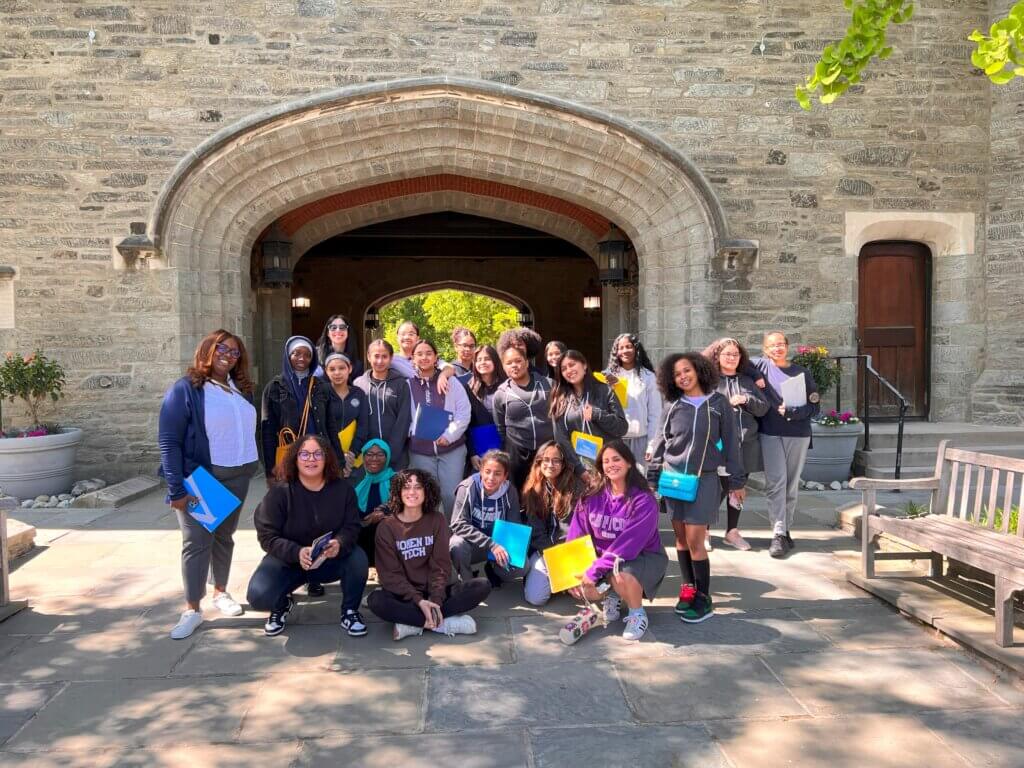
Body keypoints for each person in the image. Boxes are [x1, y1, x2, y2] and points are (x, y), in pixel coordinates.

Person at [158, 329, 260, 640]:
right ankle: (192, 609)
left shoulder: (239, 389)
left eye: (234, 352)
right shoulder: (187, 389)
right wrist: (176, 488)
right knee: (197, 542)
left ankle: (221, 592)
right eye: (222, 349)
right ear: (208, 350)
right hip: (203, 478)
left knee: (224, 537)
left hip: (239, 475)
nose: (228, 355)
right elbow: (169, 441)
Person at [650, 352, 744, 624]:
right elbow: (660, 443)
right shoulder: (672, 406)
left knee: (695, 540)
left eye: (686, 371)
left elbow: (731, 443)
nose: (682, 377)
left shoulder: (718, 404)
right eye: (677, 374)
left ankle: (704, 597)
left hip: (704, 480)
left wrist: (737, 481)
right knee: (679, 539)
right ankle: (688, 589)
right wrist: (653, 478)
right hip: (674, 479)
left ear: (699, 370)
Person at [246, 435, 370, 637]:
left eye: (317, 454)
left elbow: (352, 526)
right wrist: (296, 552)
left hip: (328, 561)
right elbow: (267, 536)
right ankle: (282, 604)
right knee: (259, 596)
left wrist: (339, 543)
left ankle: (349, 611)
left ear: (326, 458)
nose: (311, 459)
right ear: (295, 458)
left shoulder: (343, 490)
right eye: (304, 454)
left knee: (357, 558)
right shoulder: (280, 492)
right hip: (289, 562)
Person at [368, 469, 491, 640]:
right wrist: (418, 600)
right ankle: (442, 623)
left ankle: (413, 623)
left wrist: (435, 601)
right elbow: (390, 575)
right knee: (376, 600)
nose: (412, 492)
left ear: (426, 491)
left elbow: (440, 565)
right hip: (406, 595)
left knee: (482, 585)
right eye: (406, 487)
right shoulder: (386, 527)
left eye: (418, 487)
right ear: (398, 492)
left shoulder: (436, 519)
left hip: (438, 591)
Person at [566, 440, 667, 642]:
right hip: (607, 559)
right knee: (583, 586)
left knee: (620, 575)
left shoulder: (644, 500)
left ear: (629, 462)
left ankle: (637, 613)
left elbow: (628, 546)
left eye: (616, 459)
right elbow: (576, 535)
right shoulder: (590, 496)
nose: (611, 464)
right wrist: (571, 572)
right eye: (606, 461)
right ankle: (612, 595)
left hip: (641, 557)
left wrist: (595, 571)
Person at [748, 331, 820, 558]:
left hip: (798, 433)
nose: (777, 348)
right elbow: (736, 361)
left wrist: (794, 412)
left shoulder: (802, 372)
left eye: (781, 344)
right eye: (772, 345)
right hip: (770, 433)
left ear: (787, 347)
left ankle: (786, 529)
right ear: (765, 349)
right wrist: (755, 376)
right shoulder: (760, 366)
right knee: (776, 483)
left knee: (791, 485)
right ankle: (778, 533)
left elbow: (815, 407)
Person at [703, 337, 769, 551]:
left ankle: (732, 531)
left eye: (735, 354)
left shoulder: (747, 381)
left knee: (738, 489)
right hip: (720, 445)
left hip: (747, 443)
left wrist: (747, 400)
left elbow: (763, 408)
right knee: (719, 489)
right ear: (718, 356)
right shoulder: (710, 381)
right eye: (727, 354)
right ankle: (704, 529)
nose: (731, 358)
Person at [407, 339, 471, 517]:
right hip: (421, 450)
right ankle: (435, 535)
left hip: (451, 449)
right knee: (428, 497)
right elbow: (405, 416)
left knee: (450, 495)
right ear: (413, 358)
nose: (424, 357)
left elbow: (463, 413)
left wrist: (449, 436)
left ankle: (453, 535)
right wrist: (415, 430)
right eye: (419, 354)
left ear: (436, 358)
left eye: (428, 353)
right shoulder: (408, 384)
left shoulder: (452, 382)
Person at [260, 335, 341, 477]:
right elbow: (267, 432)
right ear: (288, 355)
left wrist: (339, 460)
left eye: (307, 355)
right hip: (289, 456)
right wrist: (270, 470)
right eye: (296, 354)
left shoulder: (321, 386)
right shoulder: (274, 387)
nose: (302, 359)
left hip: (318, 455)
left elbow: (330, 425)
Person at [521, 441, 584, 606]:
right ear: (539, 462)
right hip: (545, 550)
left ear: (563, 464)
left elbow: (572, 530)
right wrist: (555, 563)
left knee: (587, 594)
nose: (550, 464)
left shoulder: (575, 487)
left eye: (556, 460)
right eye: (546, 459)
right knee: (536, 598)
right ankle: (556, 580)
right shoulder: (533, 488)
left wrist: (566, 564)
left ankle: (561, 581)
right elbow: (536, 533)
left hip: (571, 548)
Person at [449, 450, 525, 587]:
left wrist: (505, 549)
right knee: (456, 545)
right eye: (487, 471)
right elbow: (457, 524)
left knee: (524, 567)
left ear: (505, 476)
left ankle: (494, 570)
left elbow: (514, 525)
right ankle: (468, 582)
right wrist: (491, 544)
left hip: (497, 544)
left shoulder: (510, 491)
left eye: (497, 474)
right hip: (474, 544)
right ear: (481, 470)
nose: (491, 477)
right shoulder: (467, 487)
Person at [550, 349, 628, 478]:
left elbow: (622, 428)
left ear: (584, 365)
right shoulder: (560, 398)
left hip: (609, 463)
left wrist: (598, 415)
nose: (569, 370)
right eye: (564, 369)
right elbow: (561, 439)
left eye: (572, 364)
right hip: (581, 467)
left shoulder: (604, 390)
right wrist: (579, 469)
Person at [492, 344, 554, 488]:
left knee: (547, 491)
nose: (514, 365)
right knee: (520, 493)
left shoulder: (548, 385)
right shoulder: (501, 394)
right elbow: (500, 428)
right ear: (503, 367)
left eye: (518, 361)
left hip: (546, 450)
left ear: (526, 362)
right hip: (517, 453)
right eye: (509, 363)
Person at [604, 333, 662, 473]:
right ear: (616, 352)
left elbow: (655, 413)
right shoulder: (608, 376)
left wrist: (651, 444)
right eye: (621, 347)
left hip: (639, 441)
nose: (625, 351)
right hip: (615, 440)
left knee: (638, 483)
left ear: (636, 349)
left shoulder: (648, 377)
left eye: (629, 347)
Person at [353, 339, 412, 470]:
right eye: (376, 356)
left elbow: (404, 420)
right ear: (368, 356)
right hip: (367, 455)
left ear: (391, 358)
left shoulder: (401, 384)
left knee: (395, 489)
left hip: (396, 456)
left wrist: (390, 453)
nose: (380, 361)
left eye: (384, 356)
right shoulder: (358, 384)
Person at [323, 352, 369, 476]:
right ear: (326, 371)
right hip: (328, 458)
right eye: (332, 369)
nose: (337, 373)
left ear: (350, 369)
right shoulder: (321, 393)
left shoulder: (358, 393)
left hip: (354, 458)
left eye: (342, 368)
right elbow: (321, 426)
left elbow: (363, 426)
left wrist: (352, 453)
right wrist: (337, 456)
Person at [464, 344, 506, 470]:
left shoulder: (507, 385)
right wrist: (472, 453)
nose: (482, 362)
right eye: (478, 360)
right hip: (481, 449)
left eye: (487, 359)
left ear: (495, 360)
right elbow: (466, 424)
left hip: (507, 447)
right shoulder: (468, 388)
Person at [353, 439, 394, 568]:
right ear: (363, 457)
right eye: (369, 454)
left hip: (389, 537)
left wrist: (383, 512)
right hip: (362, 537)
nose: (374, 459)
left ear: (387, 457)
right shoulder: (356, 481)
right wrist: (365, 522)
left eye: (380, 454)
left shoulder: (397, 480)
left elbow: (402, 505)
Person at [314, 314, 364, 383]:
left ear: (348, 332)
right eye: (333, 327)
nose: (338, 330)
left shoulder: (357, 365)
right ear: (328, 333)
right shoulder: (315, 355)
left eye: (342, 327)